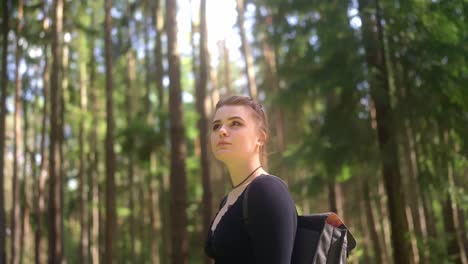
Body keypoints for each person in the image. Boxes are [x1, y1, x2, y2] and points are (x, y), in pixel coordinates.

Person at [205, 95, 297, 264]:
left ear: (260, 138)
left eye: (235, 123)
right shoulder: (229, 199)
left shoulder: (267, 189)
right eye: (216, 126)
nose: (222, 131)